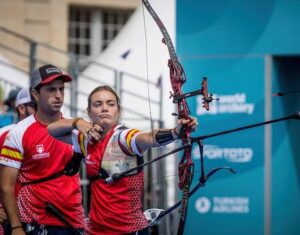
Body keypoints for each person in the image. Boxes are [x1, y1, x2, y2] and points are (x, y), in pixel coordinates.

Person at [47, 85, 198, 235]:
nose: (104, 108)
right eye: (98, 104)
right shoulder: (86, 139)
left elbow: (148, 137)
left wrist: (175, 132)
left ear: (118, 111)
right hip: (96, 230)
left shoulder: (124, 137)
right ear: (89, 112)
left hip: (130, 230)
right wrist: (77, 122)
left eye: (110, 104)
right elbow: (52, 130)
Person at [0, 64, 86, 235]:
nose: (58, 95)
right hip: (33, 222)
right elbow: (6, 186)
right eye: (51, 90)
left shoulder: (77, 126)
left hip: (74, 222)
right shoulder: (18, 132)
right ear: (35, 94)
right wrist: (16, 227)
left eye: (62, 89)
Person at [0, 87, 37, 234]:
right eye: (35, 105)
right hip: (9, 217)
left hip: (41, 217)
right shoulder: (3, 134)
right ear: (21, 108)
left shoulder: (53, 133)